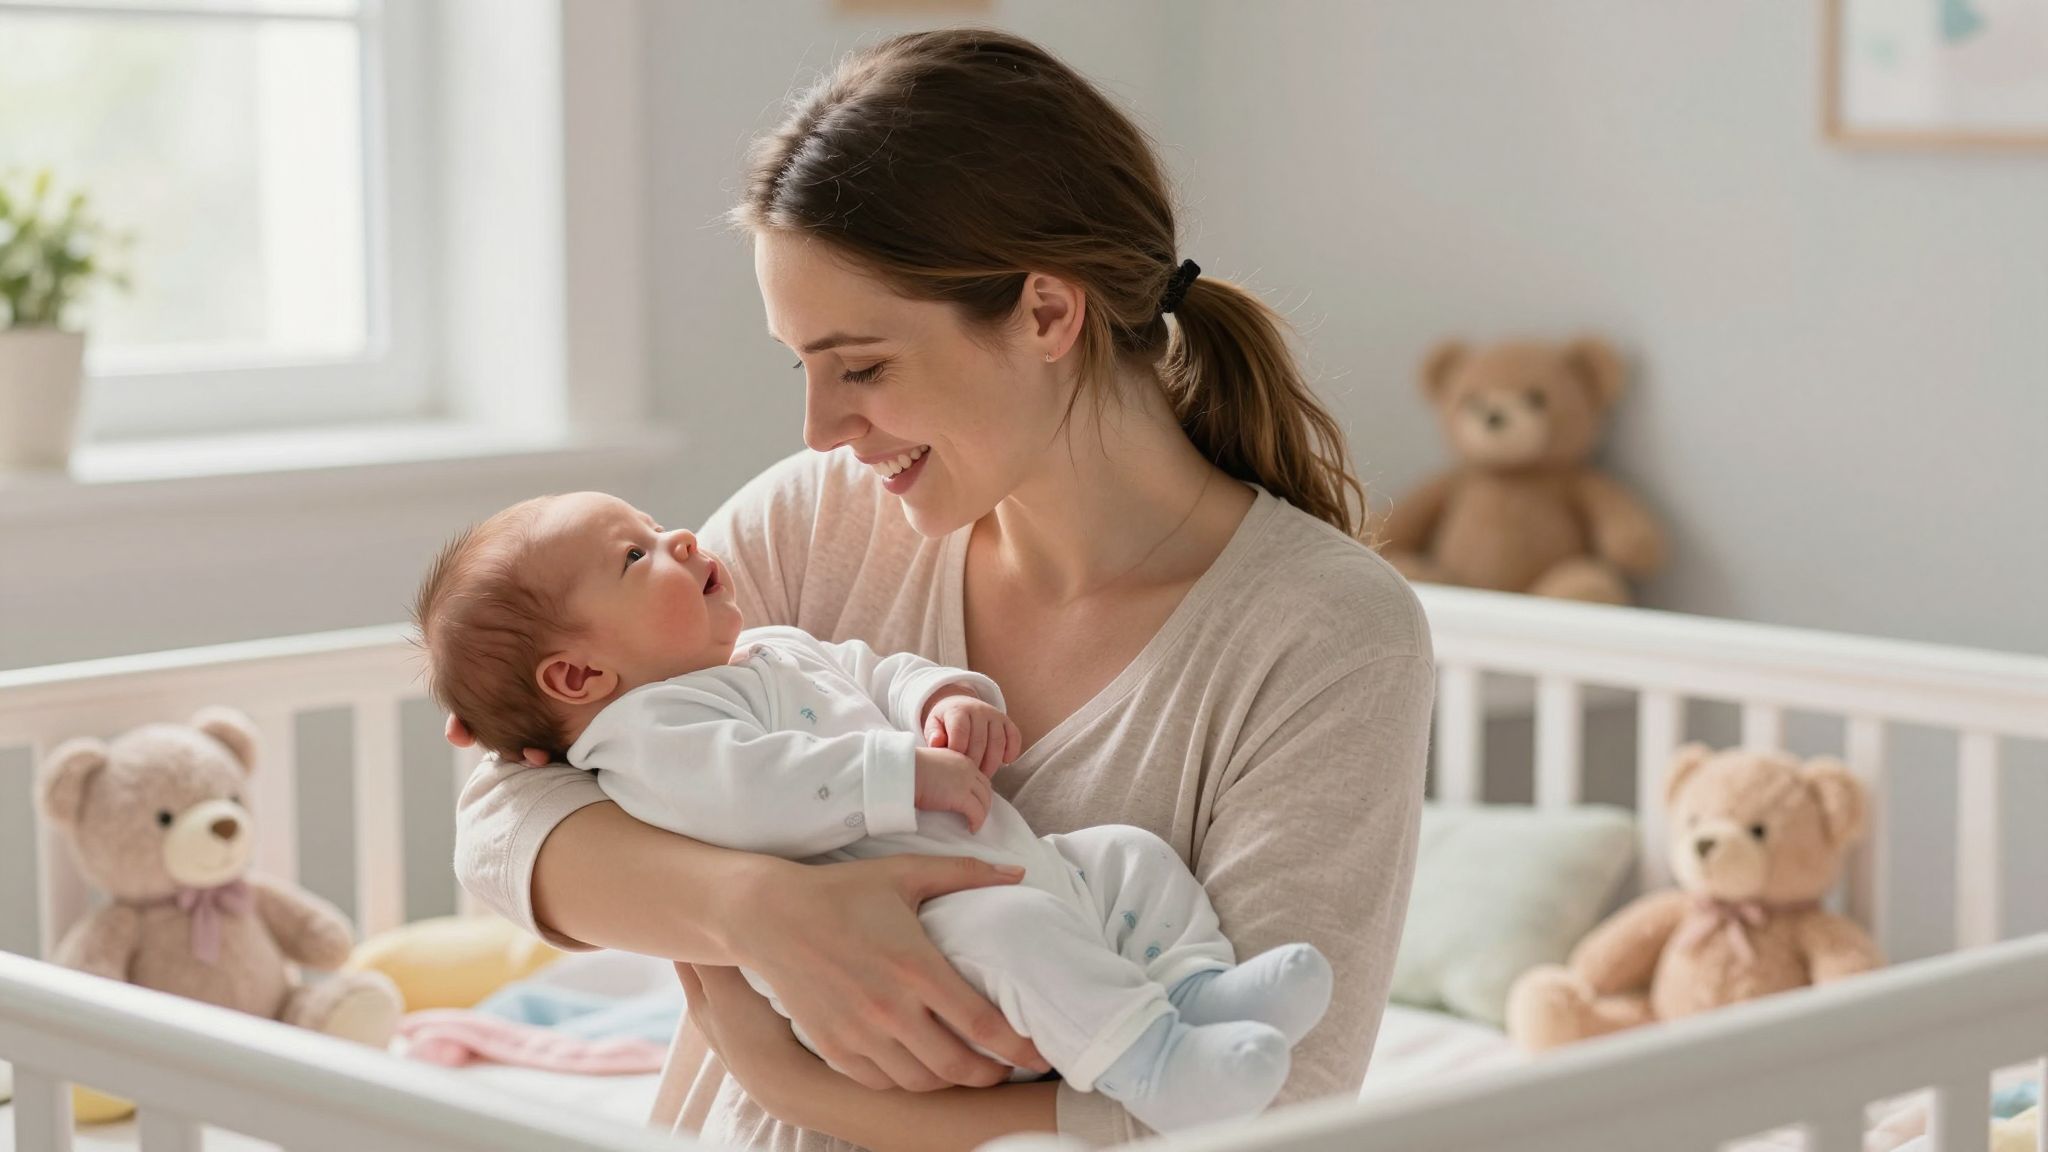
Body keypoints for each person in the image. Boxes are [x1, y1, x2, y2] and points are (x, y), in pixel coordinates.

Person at [452, 27, 1433, 1151]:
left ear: (1048, 313)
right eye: (803, 366)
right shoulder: (814, 520)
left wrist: (796, 1083)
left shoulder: (1323, 635)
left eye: (862, 367)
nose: (821, 427)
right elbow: (503, 820)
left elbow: (1278, 1099)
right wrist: (760, 914)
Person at [417, 490, 1334, 1132]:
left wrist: (941, 697)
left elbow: (871, 671)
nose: (684, 539)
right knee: (1016, 931)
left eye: (655, 527)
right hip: (921, 944)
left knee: (1127, 857)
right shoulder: (645, 732)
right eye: (636, 555)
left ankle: (1188, 985)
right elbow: (749, 791)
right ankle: (1154, 1062)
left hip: (1013, 869)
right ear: (579, 675)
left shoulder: (766, 648)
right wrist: (900, 774)